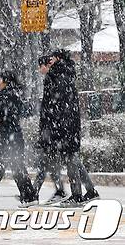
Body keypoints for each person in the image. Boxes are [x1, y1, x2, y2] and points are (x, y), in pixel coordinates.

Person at [41, 49, 99, 207]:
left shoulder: (60, 75)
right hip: (67, 125)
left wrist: (58, 127)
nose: (49, 61)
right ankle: (91, 191)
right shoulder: (63, 73)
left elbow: (59, 104)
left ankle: (77, 196)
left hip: (66, 126)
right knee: (73, 159)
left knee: (71, 160)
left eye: (51, 58)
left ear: (58, 59)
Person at [0, 71, 38, 208]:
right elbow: (17, 112)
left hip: (6, 136)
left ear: (6, 81)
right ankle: (28, 196)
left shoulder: (5, 96)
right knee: (16, 166)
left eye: (0, 80)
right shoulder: (16, 94)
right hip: (14, 135)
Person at [33, 55, 67, 203]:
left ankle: (33, 194)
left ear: (47, 66)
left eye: (41, 66)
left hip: (51, 130)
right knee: (49, 164)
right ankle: (58, 190)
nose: (39, 69)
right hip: (51, 129)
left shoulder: (51, 80)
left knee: (45, 163)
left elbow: (50, 108)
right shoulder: (53, 79)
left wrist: (47, 130)